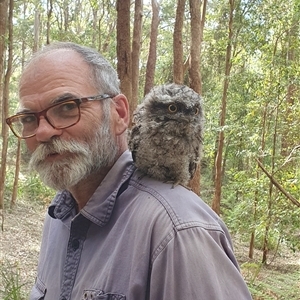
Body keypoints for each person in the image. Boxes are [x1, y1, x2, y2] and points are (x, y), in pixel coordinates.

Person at [6, 42, 252, 300]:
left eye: (67, 107)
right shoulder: (58, 217)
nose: (44, 132)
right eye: (29, 119)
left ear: (120, 113)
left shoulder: (178, 231)